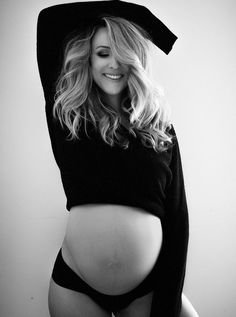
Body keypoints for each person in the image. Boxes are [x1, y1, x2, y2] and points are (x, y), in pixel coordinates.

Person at [37, 1, 199, 316]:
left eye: (124, 53)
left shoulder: (159, 129)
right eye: (103, 53)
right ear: (88, 58)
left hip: (148, 292)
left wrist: (165, 305)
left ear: (136, 60)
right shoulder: (68, 114)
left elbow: (177, 220)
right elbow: (50, 20)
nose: (114, 63)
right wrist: (137, 16)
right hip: (77, 289)